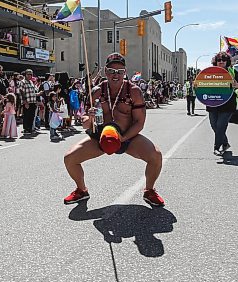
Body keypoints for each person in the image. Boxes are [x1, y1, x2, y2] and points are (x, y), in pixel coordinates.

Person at [63, 52, 165, 206]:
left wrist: (122, 139)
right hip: (99, 137)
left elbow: (139, 122)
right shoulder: (96, 91)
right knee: (69, 158)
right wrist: (89, 117)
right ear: (105, 71)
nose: (115, 75)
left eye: (119, 71)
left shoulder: (134, 91)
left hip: (127, 137)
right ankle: (81, 190)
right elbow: (84, 124)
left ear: (125, 72)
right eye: (111, 71)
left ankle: (149, 190)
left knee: (156, 156)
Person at [204, 52, 238, 156]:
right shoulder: (209, 73)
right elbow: (202, 85)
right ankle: (225, 143)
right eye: (219, 60)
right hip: (213, 104)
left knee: (220, 126)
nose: (221, 62)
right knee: (214, 125)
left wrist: (236, 84)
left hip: (228, 104)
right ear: (215, 62)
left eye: (223, 60)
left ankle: (216, 147)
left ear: (227, 62)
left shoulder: (233, 72)